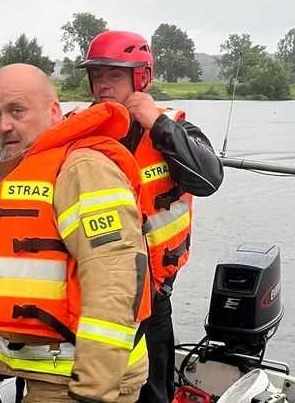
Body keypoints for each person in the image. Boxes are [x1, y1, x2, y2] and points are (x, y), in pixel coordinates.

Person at [0, 63, 152, 403]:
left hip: (76, 383)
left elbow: (115, 275)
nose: (4, 126)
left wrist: (94, 388)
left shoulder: (82, 169)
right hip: (43, 372)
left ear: (54, 110)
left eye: (17, 111)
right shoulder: (27, 173)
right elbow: (16, 270)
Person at [77, 30, 224, 403]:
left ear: (141, 77)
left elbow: (209, 178)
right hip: (94, 291)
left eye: (114, 74)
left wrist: (157, 125)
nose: (103, 85)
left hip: (153, 295)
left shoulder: (175, 127)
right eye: (97, 75)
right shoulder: (77, 127)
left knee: (153, 392)